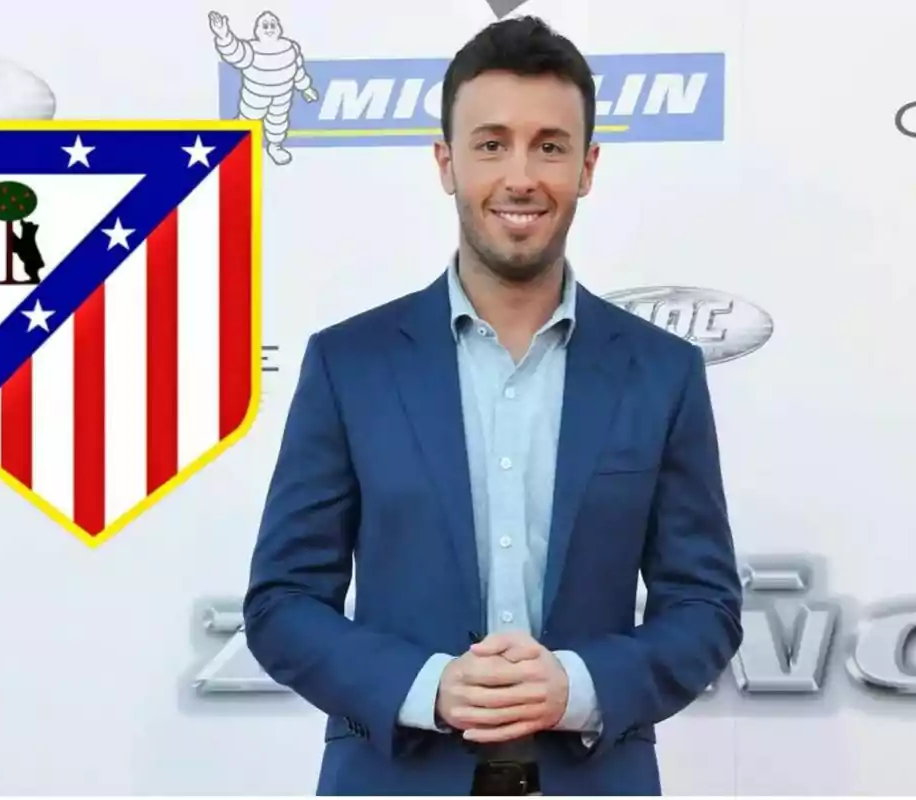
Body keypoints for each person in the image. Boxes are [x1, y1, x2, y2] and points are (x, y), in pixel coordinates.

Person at [242, 15, 743, 796]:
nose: (521, 175)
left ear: (588, 166)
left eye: (550, 145)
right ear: (446, 163)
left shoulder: (662, 371)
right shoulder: (351, 364)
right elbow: (283, 604)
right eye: (490, 143)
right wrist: (425, 686)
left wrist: (578, 685)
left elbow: (704, 607)